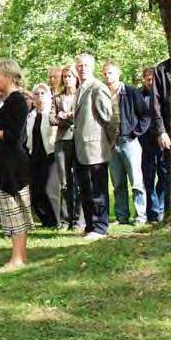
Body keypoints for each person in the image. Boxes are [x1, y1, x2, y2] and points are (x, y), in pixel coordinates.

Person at [0, 60, 33, 272]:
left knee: (15, 211)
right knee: (12, 211)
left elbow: (13, 136)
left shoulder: (17, 100)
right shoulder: (9, 101)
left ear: (10, 77)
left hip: (13, 165)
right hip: (5, 163)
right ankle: (20, 256)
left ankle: (17, 259)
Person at [103, 62, 150, 225]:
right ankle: (121, 217)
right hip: (110, 143)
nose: (107, 76)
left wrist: (134, 133)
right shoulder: (102, 93)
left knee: (136, 181)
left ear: (118, 74)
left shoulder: (130, 92)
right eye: (105, 74)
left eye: (110, 73)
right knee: (117, 183)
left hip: (129, 141)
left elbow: (145, 115)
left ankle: (140, 216)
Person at [73, 53, 114, 240]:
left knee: (97, 189)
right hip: (80, 148)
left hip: (96, 148)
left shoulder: (98, 88)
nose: (82, 69)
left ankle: (100, 227)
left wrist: (110, 143)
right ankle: (90, 225)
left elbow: (109, 119)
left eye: (85, 65)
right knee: (85, 189)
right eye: (79, 66)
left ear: (93, 66)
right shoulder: (80, 88)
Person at [50, 65, 84, 230]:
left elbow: (81, 117)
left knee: (79, 181)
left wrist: (67, 116)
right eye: (64, 77)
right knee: (64, 182)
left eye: (70, 76)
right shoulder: (57, 98)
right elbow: (52, 119)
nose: (67, 79)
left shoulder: (81, 94)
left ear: (75, 77)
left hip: (78, 140)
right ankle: (65, 219)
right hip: (62, 141)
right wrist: (67, 118)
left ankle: (78, 219)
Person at [26, 83, 60, 228]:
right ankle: (46, 220)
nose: (39, 97)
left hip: (50, 155)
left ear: (48, 96)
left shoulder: (51, 114)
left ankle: (58, 219)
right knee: (36, 189)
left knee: (50, 188)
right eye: (37, 94)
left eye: (42, 94)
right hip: (35, 156)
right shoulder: (31, 116)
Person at [139, 67, 168, 222]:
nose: (151, 82)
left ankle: (161, 209)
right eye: (148, 79)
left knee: (164, 176)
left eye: (153, 79)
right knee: (148, 178)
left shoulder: (162, 94)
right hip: (145, 142)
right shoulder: (139, 95)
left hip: (162, 141)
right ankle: (153, 214)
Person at [151, 58, 171, 216]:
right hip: (169, 130)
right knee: (168, 173)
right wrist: (161, 131)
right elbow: (155, 103)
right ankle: (169, 212)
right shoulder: (162, 69)